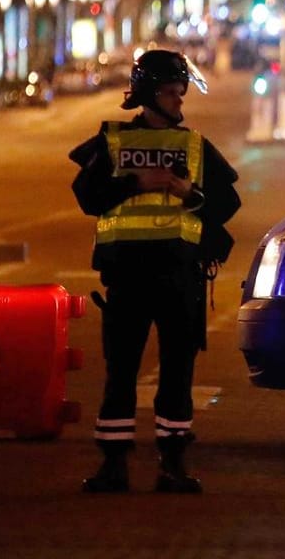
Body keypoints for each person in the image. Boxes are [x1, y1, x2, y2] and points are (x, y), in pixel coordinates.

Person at [70, 49, 239, 494]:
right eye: (172, 93)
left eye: (181, 93)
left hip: (179, 274)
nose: (180, 102)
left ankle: (173, 462)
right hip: (127, 274)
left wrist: (190, 194)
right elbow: (88, 197)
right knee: (120, 370)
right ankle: (113, 465)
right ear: (149, 95)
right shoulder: (114, 143)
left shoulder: (195, 146)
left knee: (178, 372)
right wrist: (135, 183)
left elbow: (228, 205)